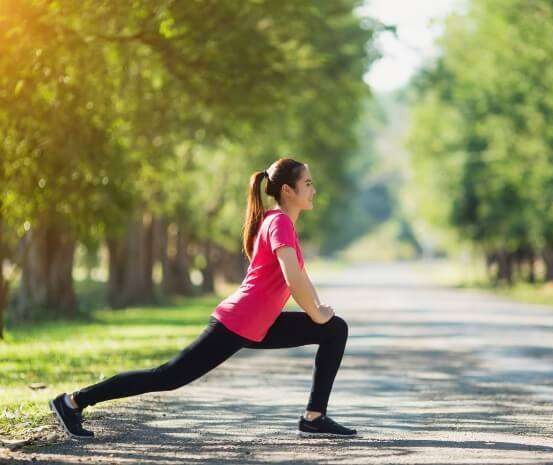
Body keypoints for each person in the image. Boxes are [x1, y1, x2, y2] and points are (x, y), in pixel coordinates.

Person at [50, 158, 356, 439]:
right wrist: (315, 313)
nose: (313, 190)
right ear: (288, 190)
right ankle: (73, 401)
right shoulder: (279, 223)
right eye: (308, 183)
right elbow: (292, 277)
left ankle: (314, 417)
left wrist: (319, 310)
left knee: (334, 329)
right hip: (239, 321)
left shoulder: (281, 223)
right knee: (168, 377)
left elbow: (300, 276)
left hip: (258, 323)